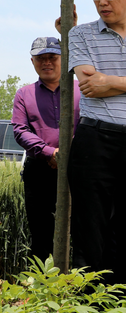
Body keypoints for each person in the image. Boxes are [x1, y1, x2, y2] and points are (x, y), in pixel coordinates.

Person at [67, 0, 126, 288]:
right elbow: (88, 83)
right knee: (90, 226)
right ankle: (88, 303)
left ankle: (125, 301)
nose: (102, 1)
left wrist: (111, 82)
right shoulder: (80, 34)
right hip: (94, 140)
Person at [11, 37, 80, 261]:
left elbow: (89, 126)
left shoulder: (82, 90)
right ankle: (44, 279)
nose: (46, 62)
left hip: (78, 169)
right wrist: (50, 153)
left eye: (52, 57)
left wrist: (66, 154)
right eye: (41, 58)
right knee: (40, 233)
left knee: (83, 231)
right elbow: (20, 130)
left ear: (64, 59)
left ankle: (78, 280)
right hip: (39, 171)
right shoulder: (24, 94)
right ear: (32, 61)